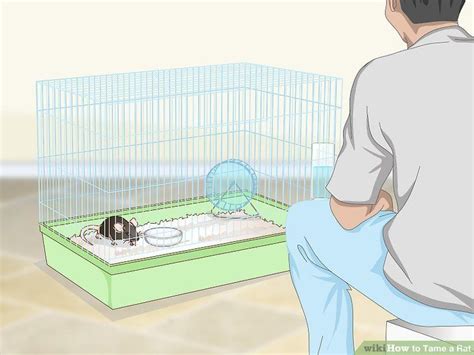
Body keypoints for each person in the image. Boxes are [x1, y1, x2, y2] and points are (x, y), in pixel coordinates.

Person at [286, 0, 474, 353]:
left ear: (393, 6)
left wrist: (383, 201)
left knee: (302, 223)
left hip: (435, 296)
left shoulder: (382, 76)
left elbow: (347, 211)